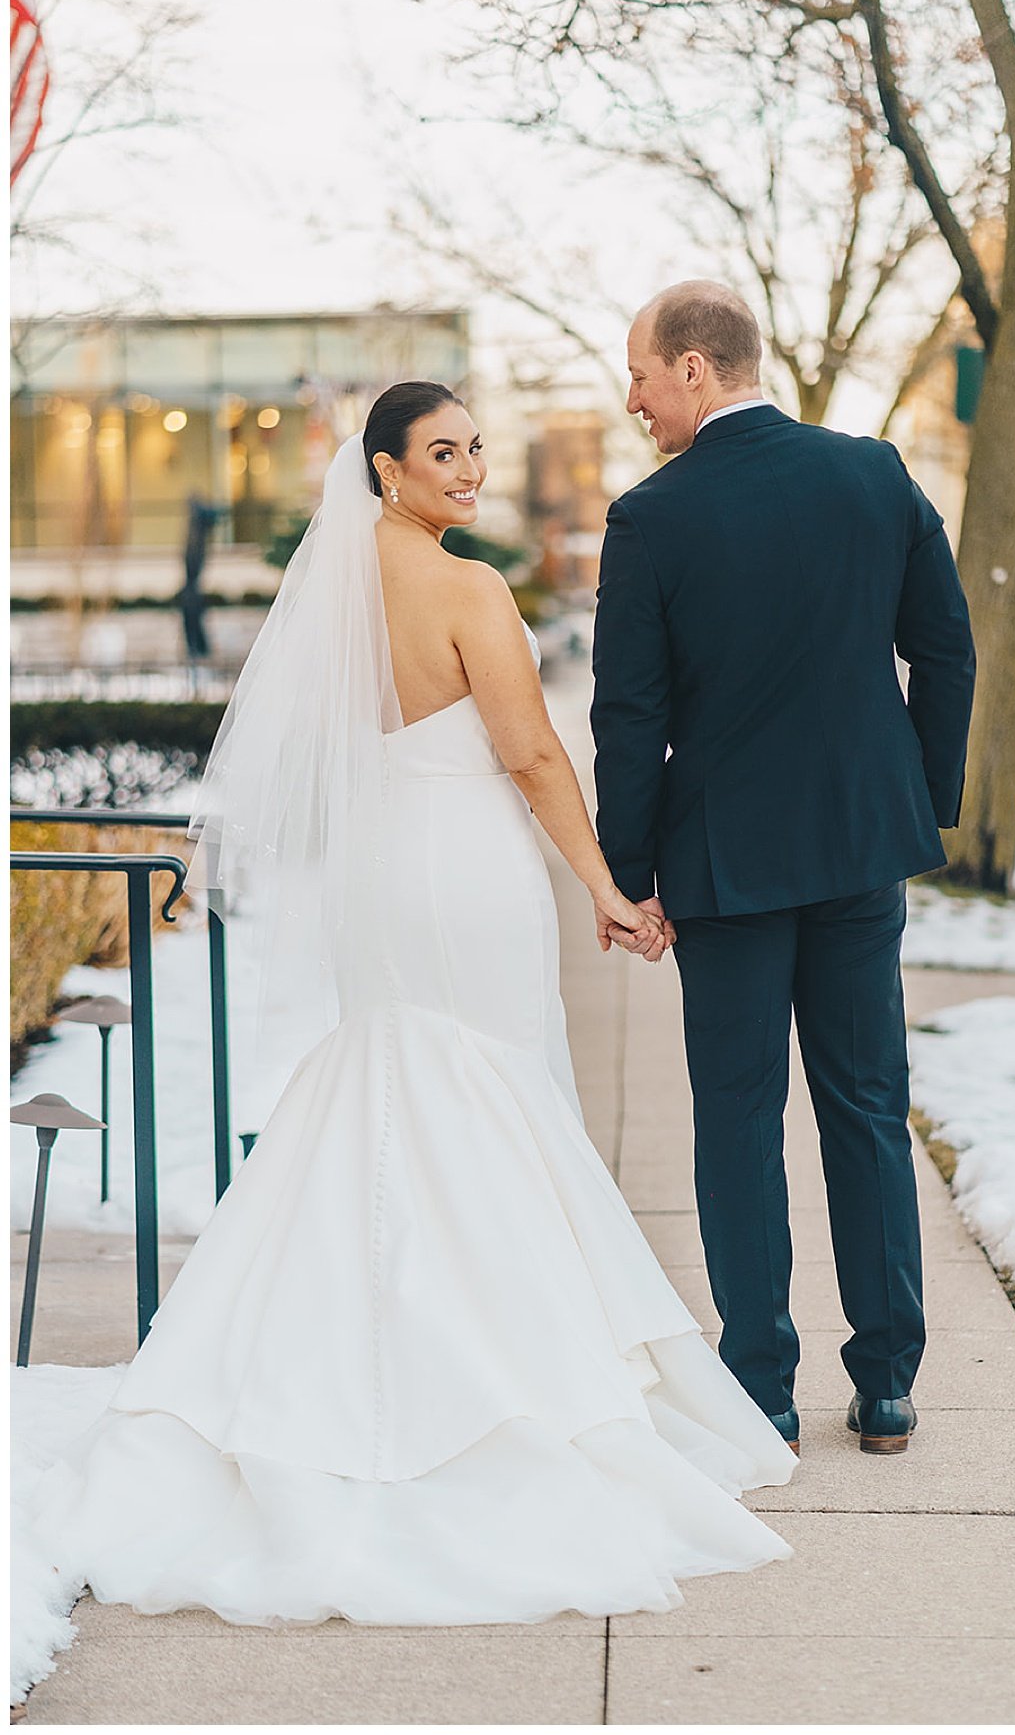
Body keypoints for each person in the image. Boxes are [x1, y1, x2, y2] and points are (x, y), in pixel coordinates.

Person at [31, 382, 796, 1630]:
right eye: (443, 451)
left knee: (393, 1090)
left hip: (379, 872)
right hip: (465, 872)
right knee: (481, 1098)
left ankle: (329, 1359)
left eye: (476, 448)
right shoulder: (469, 589)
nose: (470, 468)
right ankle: (494, 1376)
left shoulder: (332, 594)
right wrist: (606, 884)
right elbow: (532, 754)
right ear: (385, 468)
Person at [591, 283, 976, 1457]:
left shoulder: (651, 518)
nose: (634, 399)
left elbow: (629, 717)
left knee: (738, 1119)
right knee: (866, 1107)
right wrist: (919, 800)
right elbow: (946, 650)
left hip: (727, 866)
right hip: (861, 848)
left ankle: (760, 1384)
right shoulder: (873, 475)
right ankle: (888, 1381)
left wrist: (630, 870)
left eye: (641, 375)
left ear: (694, 368)